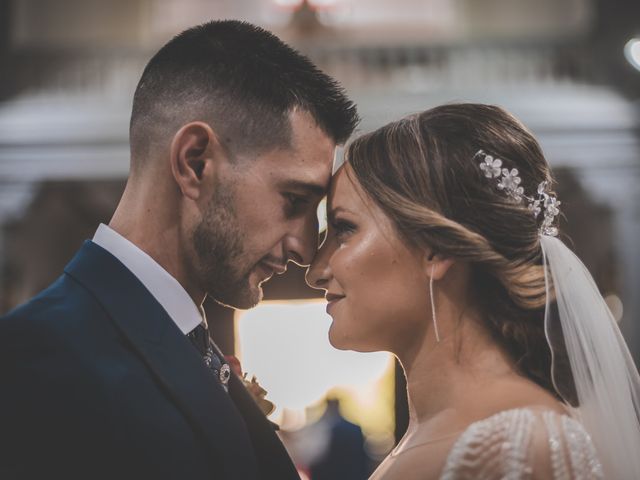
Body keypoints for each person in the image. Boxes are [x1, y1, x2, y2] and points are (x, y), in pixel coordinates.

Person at [0, 20, 358, 480]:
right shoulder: (31, 362)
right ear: (194, 163)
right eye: (294, 200)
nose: (307, 249)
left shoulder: (190, 346)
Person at [307, 103, 640, 479]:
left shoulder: (516, 447)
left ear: (438, 248)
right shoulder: (435, 434)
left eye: (344, 229)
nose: (316, 271)